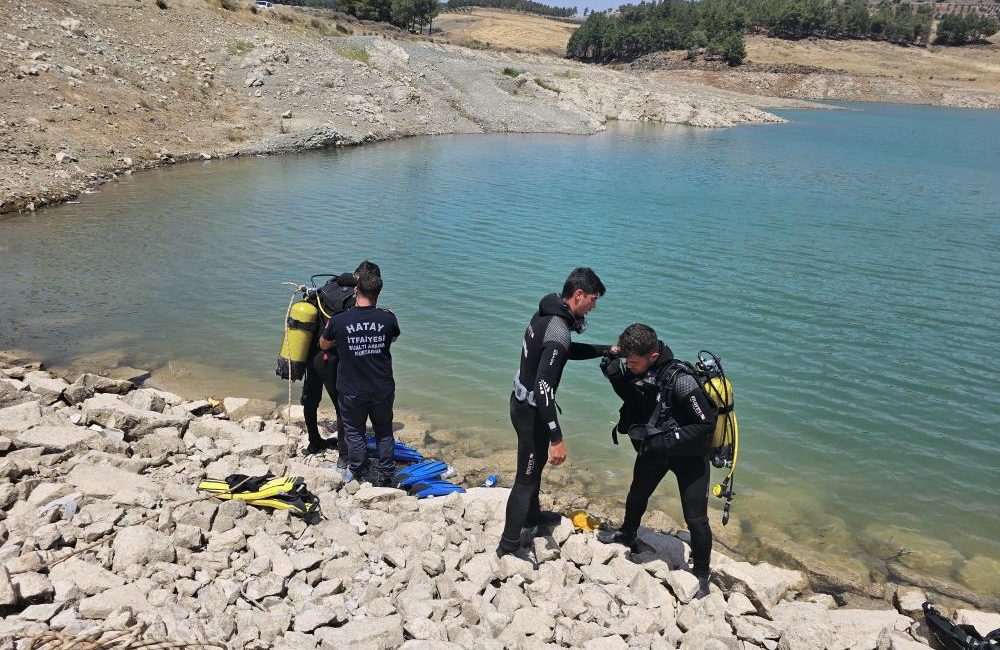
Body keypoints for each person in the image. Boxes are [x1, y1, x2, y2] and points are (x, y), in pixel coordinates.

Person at [598, 323, 717, 599]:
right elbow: (637, 401)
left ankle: (701, 573)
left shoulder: (682, 380)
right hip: (657, 449)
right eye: (627, 361)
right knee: (637, 493)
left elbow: (705, 425)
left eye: (634, 362)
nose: (631, 366)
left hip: (690, 456)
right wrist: (616, 376)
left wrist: (667, 440)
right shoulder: (644, 369)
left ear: (653, 356)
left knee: (696, 518)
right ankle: (627, 534)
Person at [497, 267, 610, 557]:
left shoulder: (547, 313)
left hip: (519, 401)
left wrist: (606, 349)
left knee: (533, 472)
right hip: (532, 410)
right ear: (579, 296)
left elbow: (564, 350)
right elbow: (544, 387)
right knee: (526, 478)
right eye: (593, 300)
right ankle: (507, 548)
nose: (594, 306)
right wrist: (556, 438)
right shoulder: (559, 329)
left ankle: (532, 517)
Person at [318, 268, 400, 485]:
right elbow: (393, 339)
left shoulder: (339, 320)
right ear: (378, 294)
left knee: (354, 431)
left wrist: (345, 341)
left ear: (356, 291)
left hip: (351, 387)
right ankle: (386, 474)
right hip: (382, 386)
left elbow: (323, 344)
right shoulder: (388, 318)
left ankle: (359, 469)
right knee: (384, 430)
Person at [301, 261, 381, 459]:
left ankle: (314, 442)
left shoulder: (330, 285)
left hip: (312, 353)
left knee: (311, 399)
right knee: (341, 406)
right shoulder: (354, 298)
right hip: (331, 358)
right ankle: (344, 455)